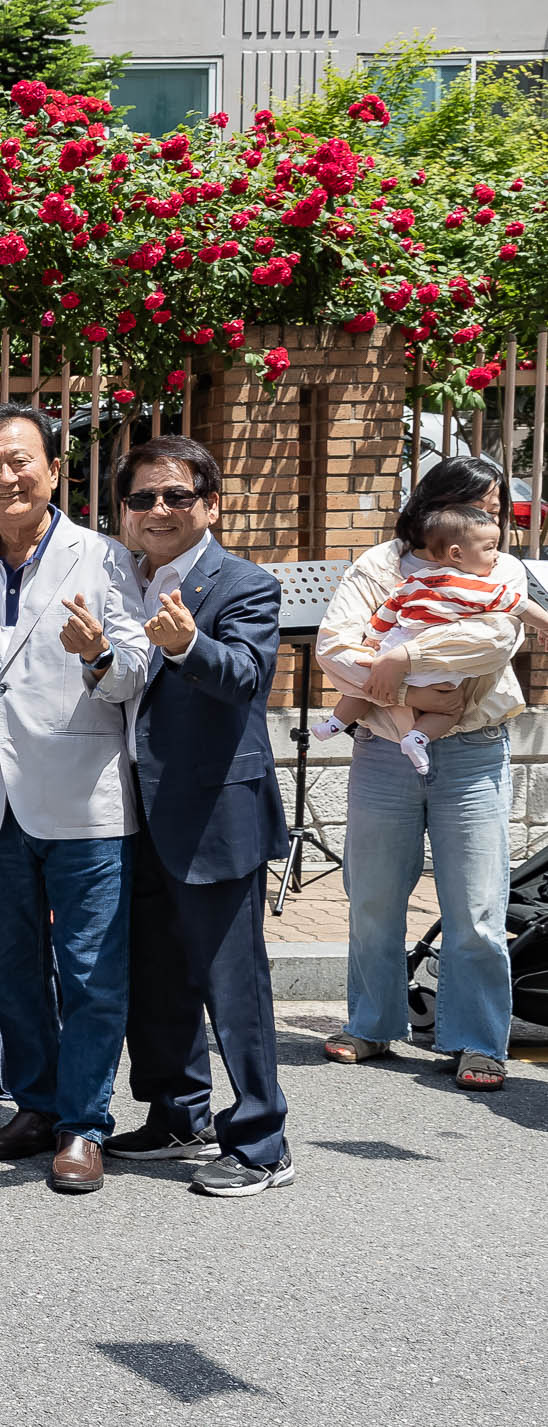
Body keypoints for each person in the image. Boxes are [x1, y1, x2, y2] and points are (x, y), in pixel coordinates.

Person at [0, 405, 150, 1195]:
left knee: (93, 971)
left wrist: (99, 653)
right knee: (13, 969)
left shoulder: (101, 557)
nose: (5, 476)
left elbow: (137, 667)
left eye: (19, 461)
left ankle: (83, 1124)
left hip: (86, 801)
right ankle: (35, 1104)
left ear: (55, 469)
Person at [114, 435, 296, 1197]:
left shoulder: (242, 583)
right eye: (143, 498)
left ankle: (261, 1139)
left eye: (176, 495)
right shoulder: (122, 579)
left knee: (233, 982)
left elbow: (248, 676)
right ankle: (177, 1113)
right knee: (155, 976)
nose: (159, 509)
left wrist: (191, 645)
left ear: (209, 504)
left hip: (217, 812)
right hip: (136, 811)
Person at [315, 454, 527, 1094]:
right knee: (374, 896)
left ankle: (476, 1041)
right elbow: (333, 648)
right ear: (440, 510)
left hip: (472, 747)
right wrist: (413, 697)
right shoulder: (378, 566)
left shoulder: (500, 566)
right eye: (481, 509)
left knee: (479, 906)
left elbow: (496, 643)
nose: (492, 522)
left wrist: (400, 655)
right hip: (383, 748)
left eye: (495, 512)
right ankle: (372, 1023)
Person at [313, 505, 548, 774]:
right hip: (436, 663)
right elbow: (518, 605)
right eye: (490, 548)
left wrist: (375, 638)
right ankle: (418, 738)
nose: (496, 556)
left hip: (394, 647)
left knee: (365, 688)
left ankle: (335, 722)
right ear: (456, 553)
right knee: (449, 708)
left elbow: (388, 610)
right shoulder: (476, 587)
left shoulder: (415, 579)